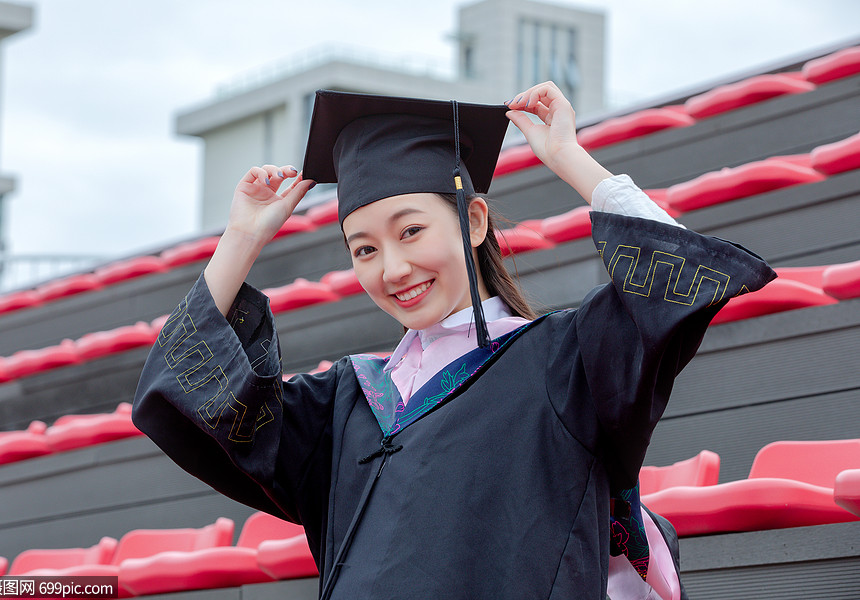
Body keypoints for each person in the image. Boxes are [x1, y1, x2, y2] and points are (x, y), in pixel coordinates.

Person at [132, 82, 775, 599]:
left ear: (472, 219)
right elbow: (183, 401)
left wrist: (569, 159)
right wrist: (241, 240)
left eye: (410, 231)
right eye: (364, 248)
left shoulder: (563, 364)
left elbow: (680, 276)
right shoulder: (344, 407)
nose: (391, 269)